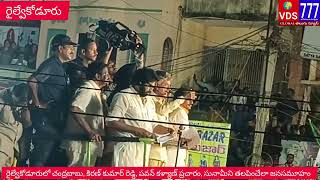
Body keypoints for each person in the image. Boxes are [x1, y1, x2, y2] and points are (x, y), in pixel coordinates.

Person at [28, 34, 77, 166]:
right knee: (42, 153)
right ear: (60, 48)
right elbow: (33, 81)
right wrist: (37, 103)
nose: (72, 51)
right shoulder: (52, 64)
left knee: (49, 154)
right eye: (70, 47)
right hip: (46, 118)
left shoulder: (60, 66)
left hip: (54, 117)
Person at [106, 67, 160, 166]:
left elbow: (153, 124)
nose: (152, 90)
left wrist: (169, 130)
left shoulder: (149, 100)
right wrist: (136, 130)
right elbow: (111, 122)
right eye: (150, 86)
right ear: (140, 83)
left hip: (143, 148)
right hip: (127, 147)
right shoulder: (123, 96)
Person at [62, 61, 111, 166]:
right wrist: (90, 131)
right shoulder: (88, 88)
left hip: (86, 145)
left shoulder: (95, 90)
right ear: (97, 76)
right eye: (105, 74)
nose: (108, 77)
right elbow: (75, 109)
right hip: (81, 144)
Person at [149, 70, 183, 167]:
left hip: (162, 151)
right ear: (156, 85)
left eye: (169, 86)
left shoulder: (162, 101)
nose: (168, 89)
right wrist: (180, 100)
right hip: (153, 151)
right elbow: (162, 111)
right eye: (165, 86)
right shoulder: (151, 99)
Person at [0, 83, 30, 170]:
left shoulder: (20, 106)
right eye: (18, 101)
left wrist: (25, 107)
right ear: (12, 94)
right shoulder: (2, 101)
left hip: (10, 151)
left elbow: (28, 124)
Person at [166, 88, 197, 167]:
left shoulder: (180, 111)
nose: (191, 102)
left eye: (193, 100)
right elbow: (184, 137)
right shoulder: (180, 112)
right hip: (174, 154)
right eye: (189, 100)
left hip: (175, 152)